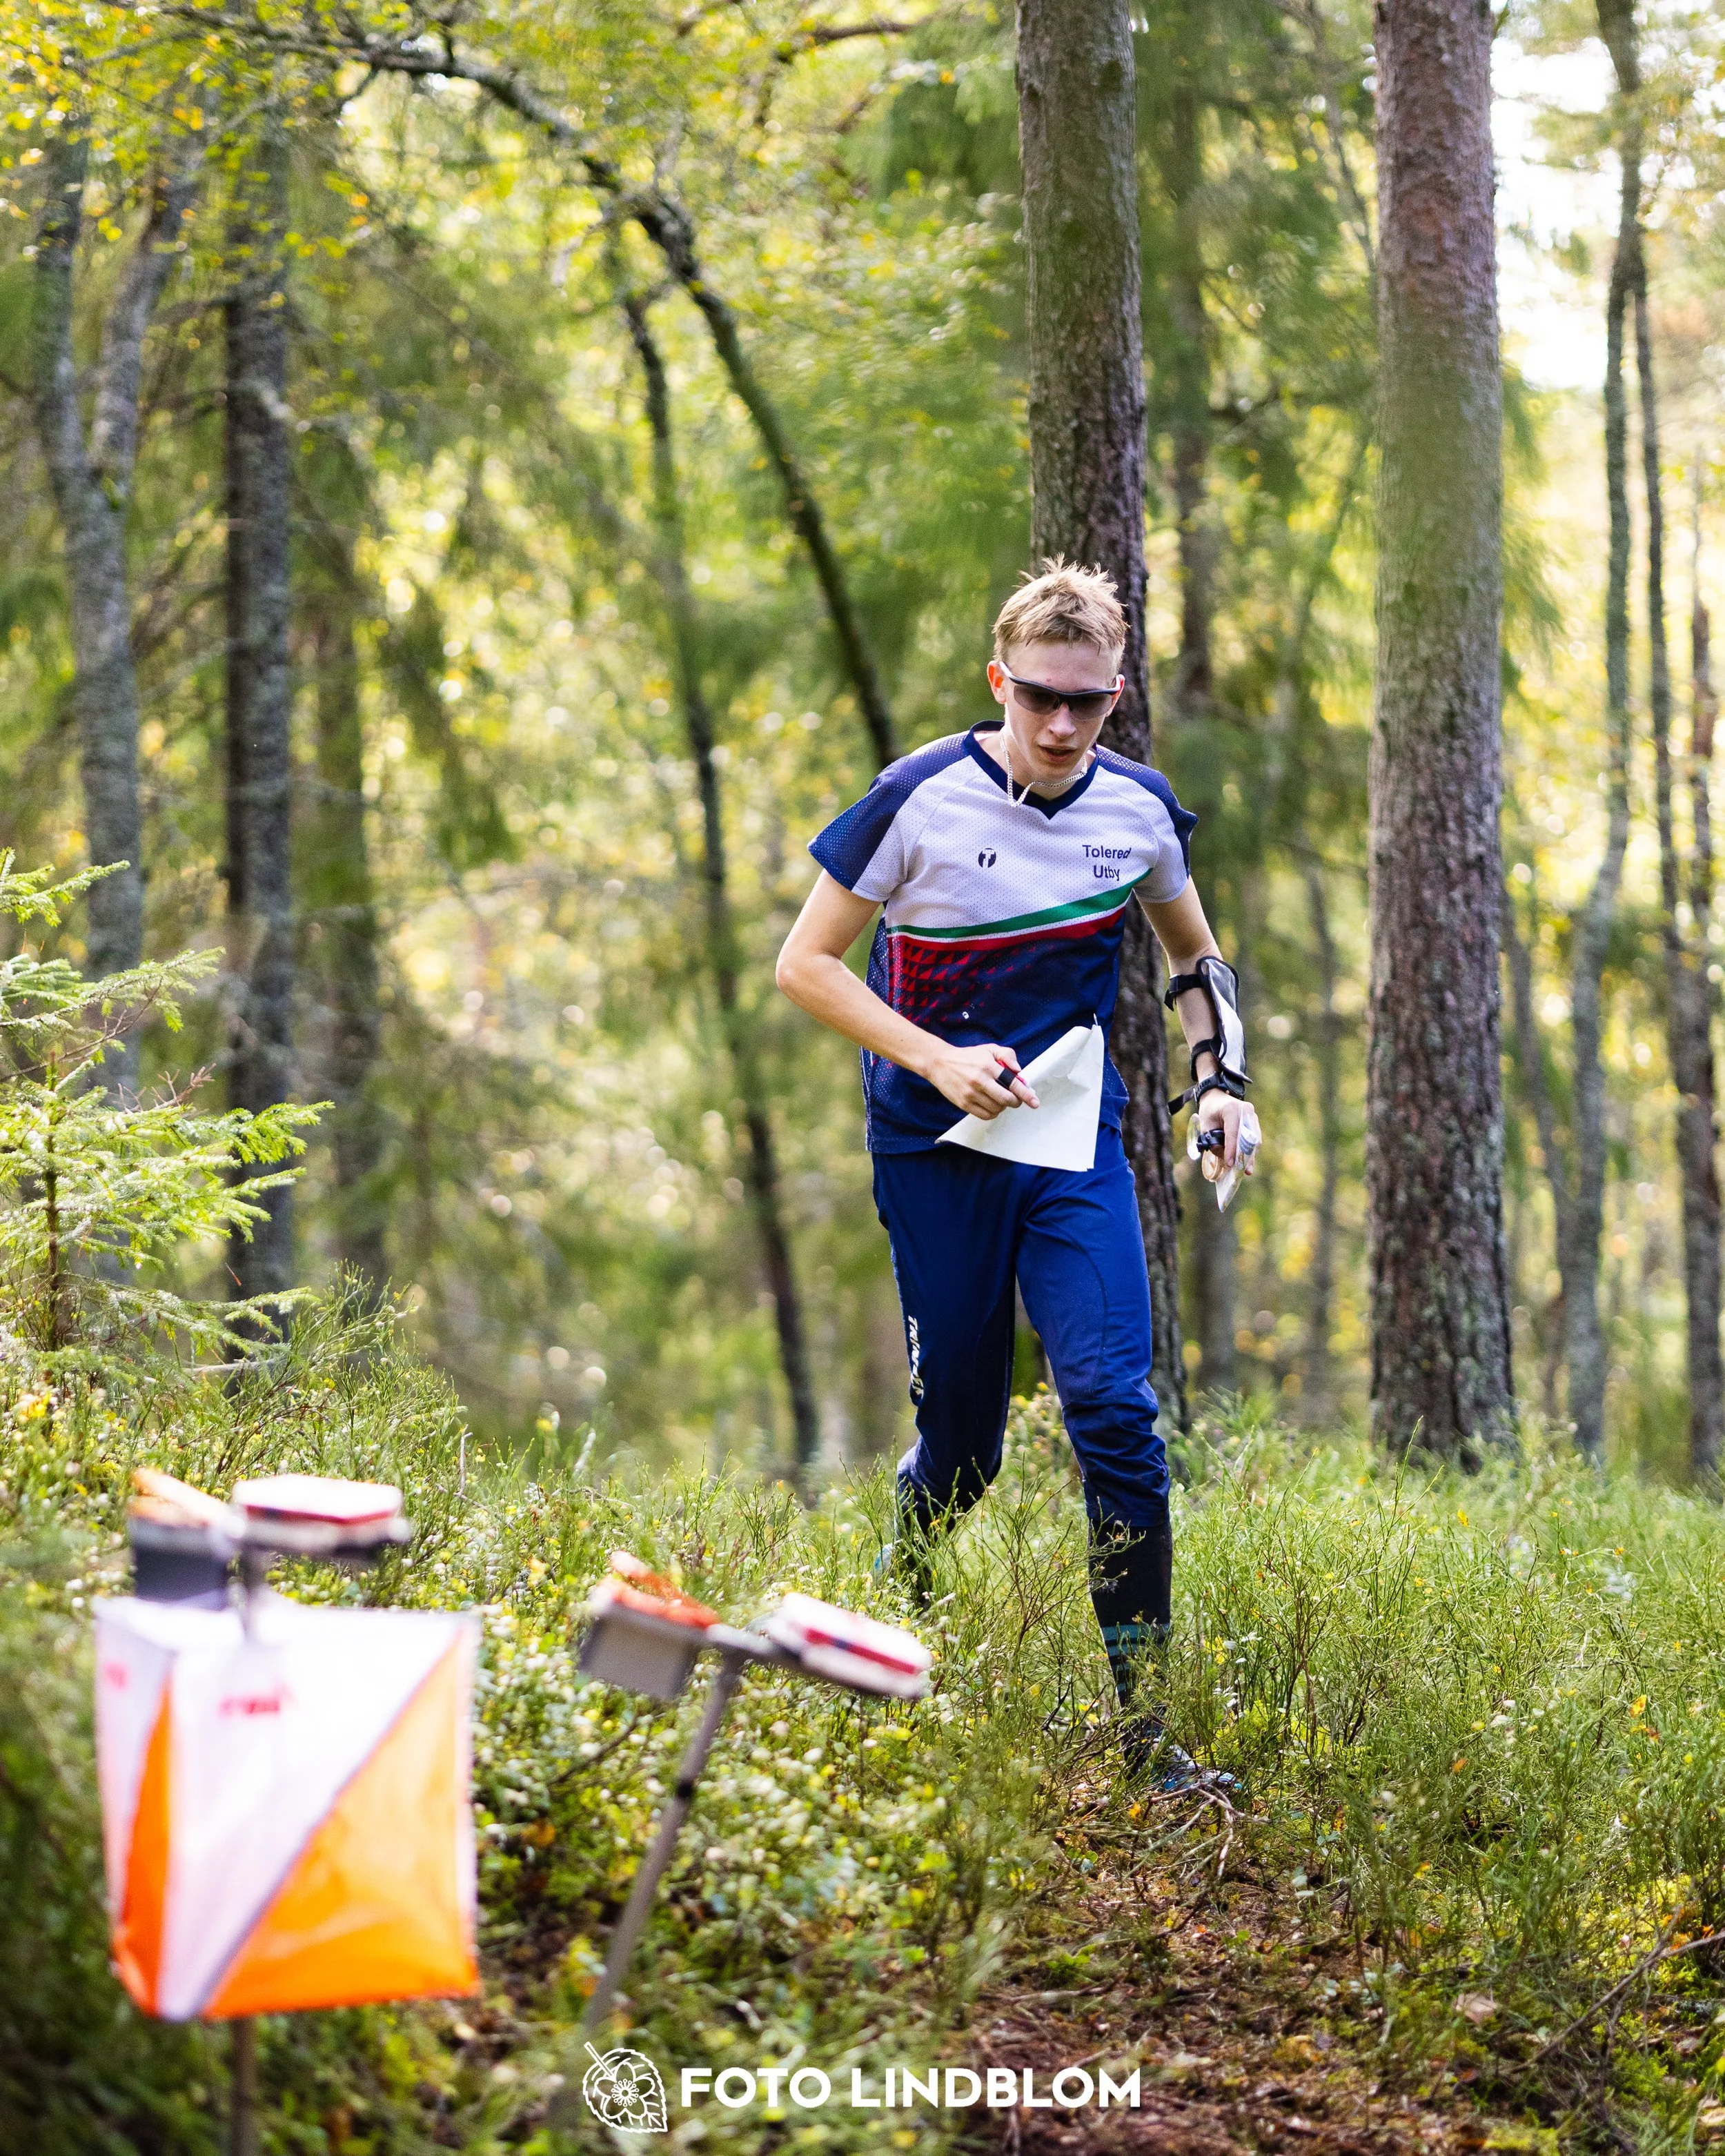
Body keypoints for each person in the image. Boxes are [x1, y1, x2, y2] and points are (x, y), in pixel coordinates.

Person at [775, 560, 1256, 1789]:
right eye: (1037, 695)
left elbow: (1198, 964)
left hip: (1071, 1151)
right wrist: (935, 1059)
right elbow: (807, 967)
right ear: (999, 681)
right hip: (934, 1151)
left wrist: (1221, 1087)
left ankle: (1149, 1740)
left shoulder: (1138, 813)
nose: (1057, 725)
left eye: (1085, 705)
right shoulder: (916, 799)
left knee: (1116, 1414)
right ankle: (906, 1590)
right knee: (968, 1447)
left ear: (1114, 700)